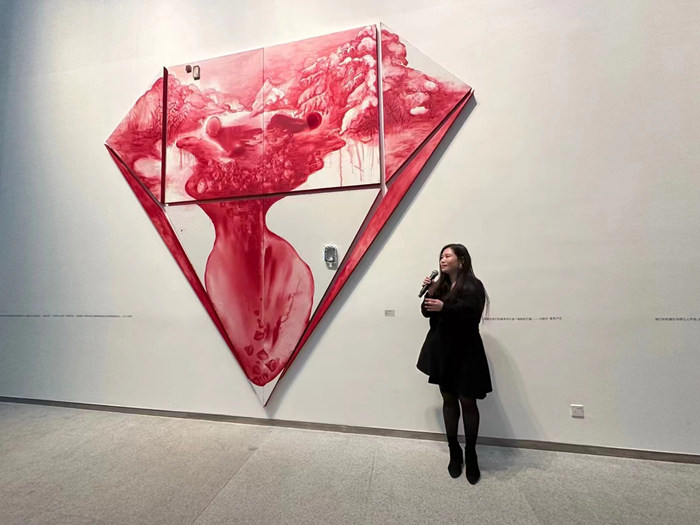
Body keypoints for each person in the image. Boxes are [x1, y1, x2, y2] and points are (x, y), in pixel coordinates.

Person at [417, 243, 492, 484]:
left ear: (461, 261)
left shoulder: (473, 285)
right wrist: (430, 292)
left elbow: (472, 315)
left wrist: (445, 307)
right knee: (448, 400)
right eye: (441, 256)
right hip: (443, 351)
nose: (442, 259)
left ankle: (471, 454)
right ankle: (454, 451)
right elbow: (426, 312)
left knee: (468, 402)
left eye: (447, 255)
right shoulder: (440, 286)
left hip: (466, 351)